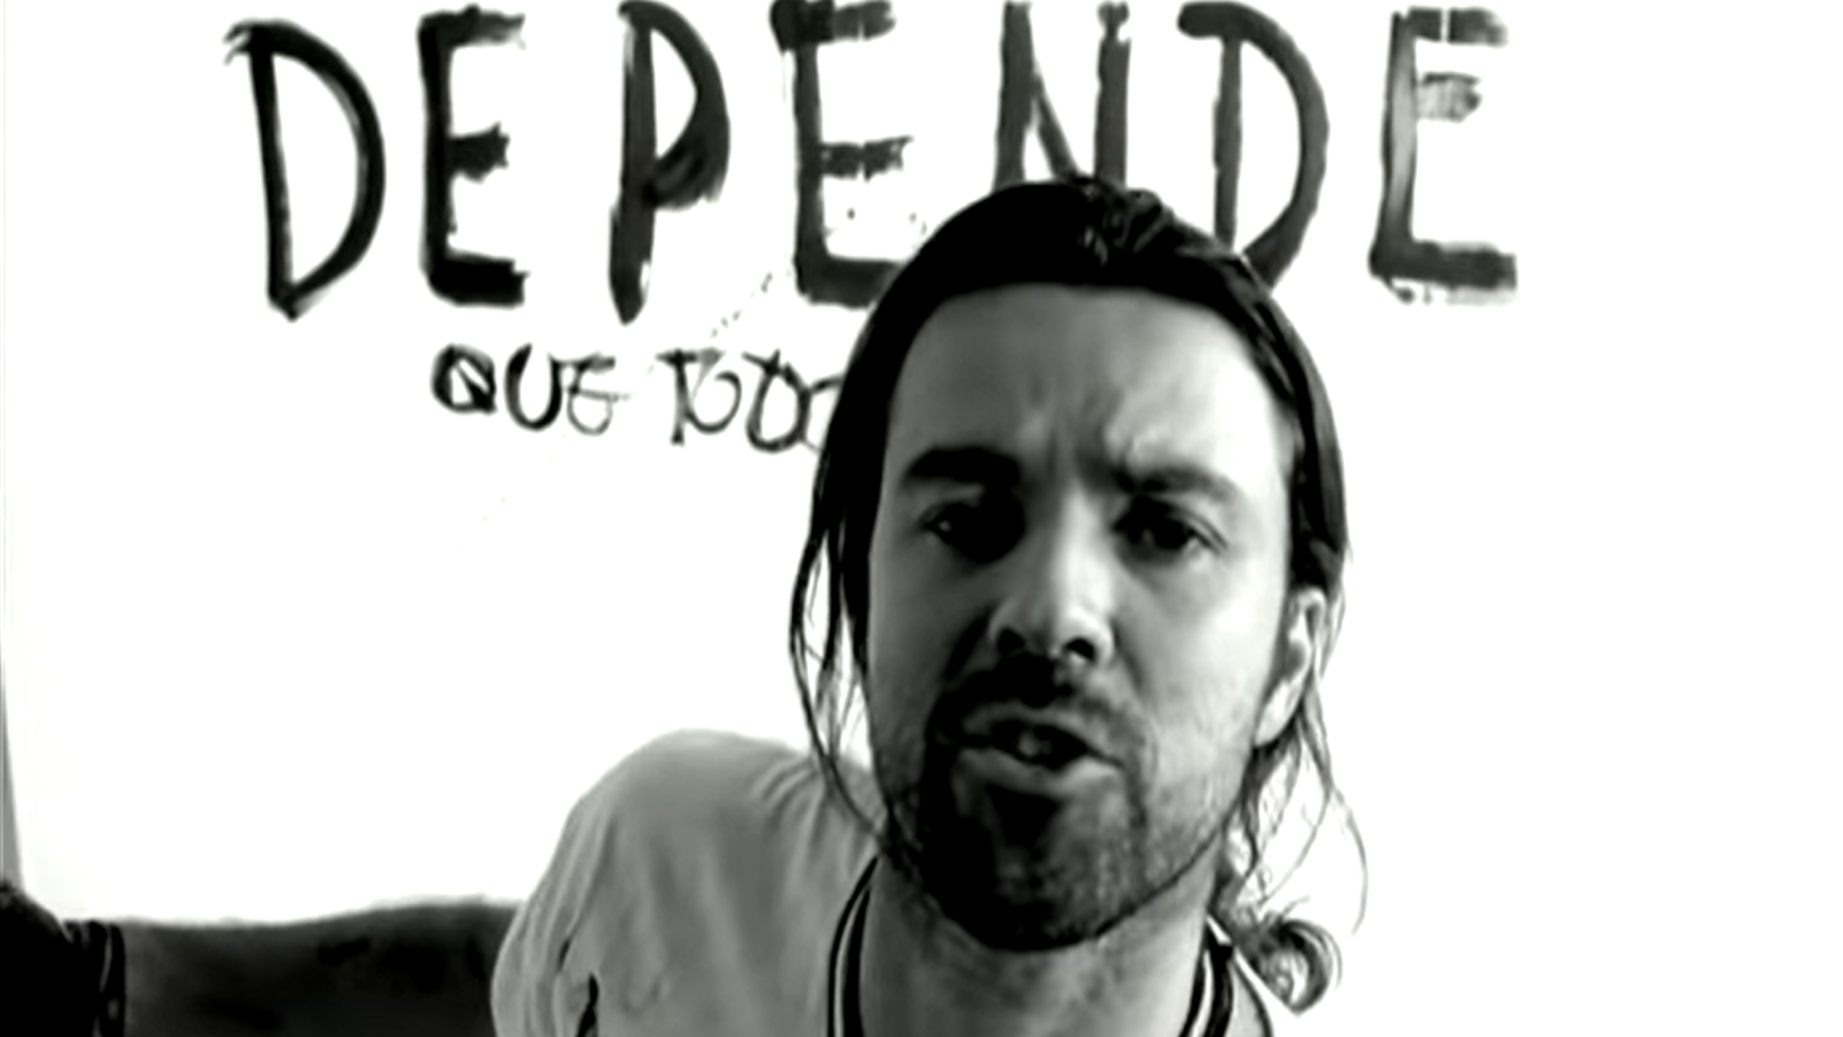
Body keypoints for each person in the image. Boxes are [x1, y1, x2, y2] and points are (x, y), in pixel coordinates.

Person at [3, 175, 1361, 1037]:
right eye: (966, 516)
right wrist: (98, 979)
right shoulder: (666, 847)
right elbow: (526, 974)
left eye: (1165, 531)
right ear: (859, 571)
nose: (1050, 605)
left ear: (1292, 655)